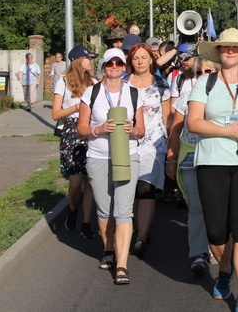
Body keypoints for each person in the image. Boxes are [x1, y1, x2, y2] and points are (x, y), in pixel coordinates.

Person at [186, 28, 238, 312]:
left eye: (236, 48)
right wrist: (228, 132)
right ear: (219, 51)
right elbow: (194, 123)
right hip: (212, 161)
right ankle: (225, 270)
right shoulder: (205, 83)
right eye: (225, 48)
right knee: (216, 232)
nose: (231, 51)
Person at [77, 48, 146, 286]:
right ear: (104, 68)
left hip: (128, 156)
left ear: (124, 67)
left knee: (124, 211)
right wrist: (99, 129)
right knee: (105, 210)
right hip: (98, 157)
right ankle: (108, 247)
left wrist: (131, 129)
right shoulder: (92, 92)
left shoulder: (134, 93)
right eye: (109, 64)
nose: (114, 67)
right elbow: (82, 129)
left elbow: (141, 131)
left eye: (118, 63)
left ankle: (122, 265)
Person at [166, 56, 219, 275]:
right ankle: (198, 253)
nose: (203, 76)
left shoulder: (226, 96)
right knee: (196, 206)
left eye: (209, 71)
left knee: (216, 207)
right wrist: (171, 157)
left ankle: (217, 247)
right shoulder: (186, 96)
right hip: (190, 155)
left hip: (217, 157)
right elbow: (176, 128)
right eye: (199, 72)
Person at [125, 42, 170, 257]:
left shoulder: (162, 85)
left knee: (146, 187)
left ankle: (142, 236)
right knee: (130, 187)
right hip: (127, 141)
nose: (140, 61)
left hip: (154, 143)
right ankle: (135, 225)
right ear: (131, 61)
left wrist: (171, 149)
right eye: (136, 58)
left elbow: (168, 116)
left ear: (151, 59)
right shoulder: (123, 84)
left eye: (144, 57)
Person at [52, 46, 97, 239]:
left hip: (90, 130)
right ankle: (72, 207)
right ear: (79, 60)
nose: (91, 61)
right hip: (71, 132)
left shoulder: (94, 83)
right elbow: (55, 114)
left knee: (90, 181)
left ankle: (86, 222)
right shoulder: (63, 82)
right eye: (88, 58)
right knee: (76, 181)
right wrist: (77, 107)